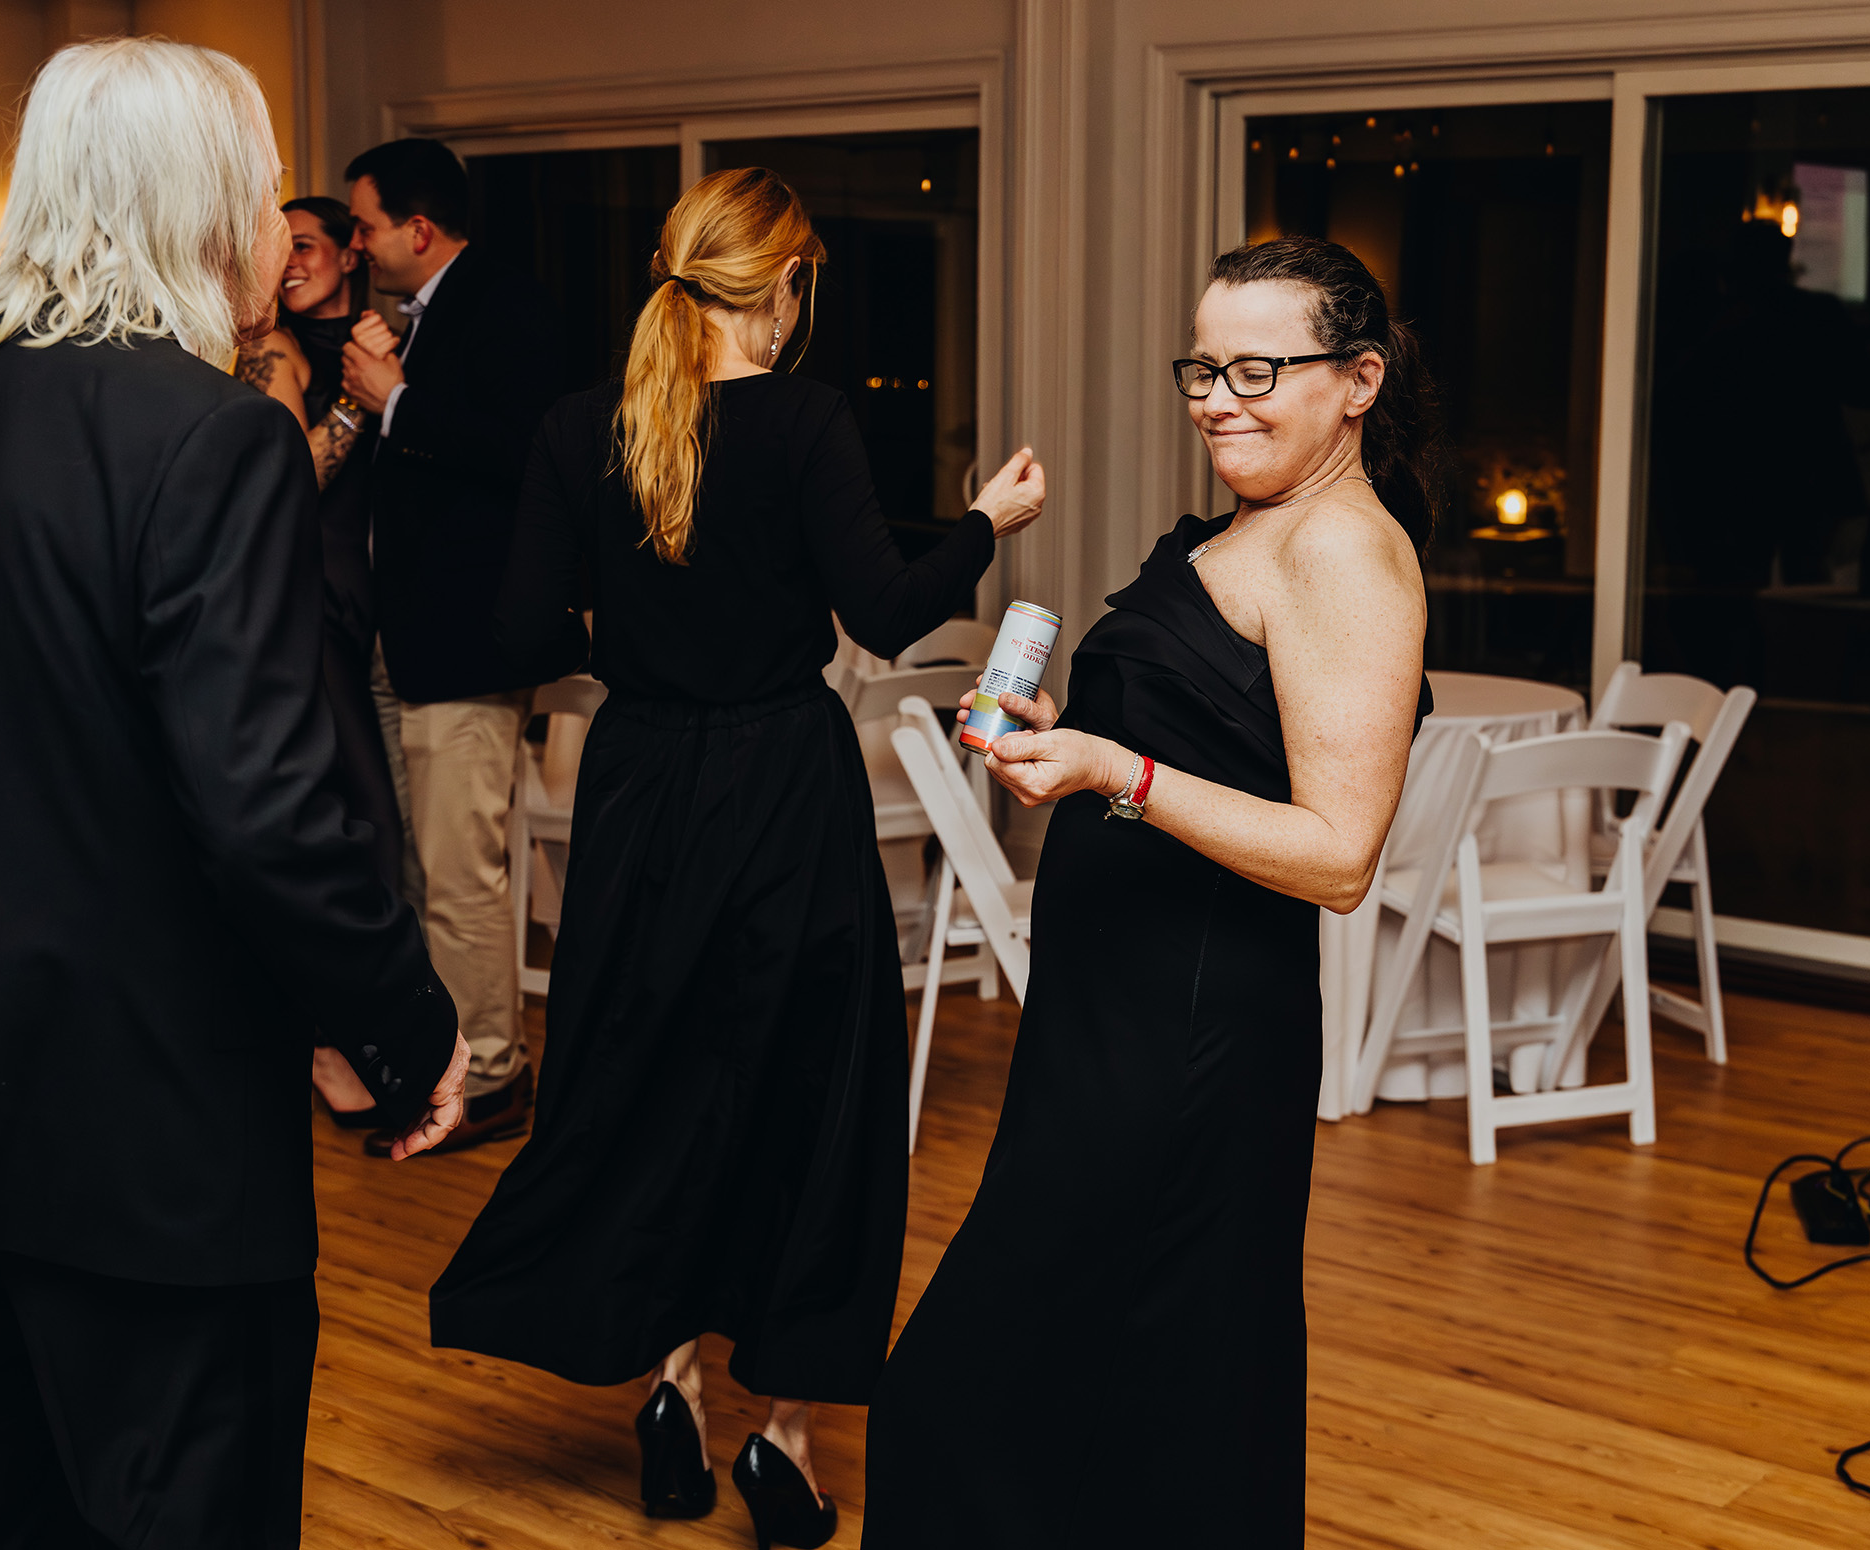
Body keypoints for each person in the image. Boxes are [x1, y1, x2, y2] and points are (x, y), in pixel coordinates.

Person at [0, 39, 467, 1548]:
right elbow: (268, 811)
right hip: (158, 1136)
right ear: (202, 204)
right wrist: (409, 1029)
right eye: (256, 197)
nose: (273, 238)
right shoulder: (215, 432)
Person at [431, 167, 1046, 1550]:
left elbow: (521, 627)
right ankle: (781, 1437)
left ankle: (669, 1394)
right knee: (807, 1095)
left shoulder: (578, 425)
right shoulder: (805, 419)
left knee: (644, 1072)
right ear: (782, 285)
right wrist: (984, 524)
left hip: (639, 784)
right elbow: (886, 612)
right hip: (780, 785)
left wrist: (636, 637)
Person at [862, 234, 1438, 1548]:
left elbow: (1339, 854)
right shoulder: (1259, 524)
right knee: (1122, 1384)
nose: (1217, 400)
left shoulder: (1345, 553)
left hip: (1189, 1037)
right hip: (1109, 1018)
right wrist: (1071, 737)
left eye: (1255, 370)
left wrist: (1111, 768)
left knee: (981, 1392)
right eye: (1202, 369)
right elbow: (1209, 741)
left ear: (1357, 381)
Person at [339, 136, 560, 1156]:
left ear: (417, 229)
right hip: (410, 640)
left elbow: (527, 455)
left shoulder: (504, 306)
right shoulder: (417, 318)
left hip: (467, 645)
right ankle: (447, 1063)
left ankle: (497, 1075)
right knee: (427, 870)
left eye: (365, 227)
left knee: (463, 871)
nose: (357, 245)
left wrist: (396, 403)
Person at [234, 195, 409, 1129]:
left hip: (382, 615)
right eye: (284, 247)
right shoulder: (273, 347)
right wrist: (357, 399)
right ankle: (327, 1040)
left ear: (350, 254)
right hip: (310, 610)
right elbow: (288, 480)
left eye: (307, 245)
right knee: (360, 824)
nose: (292, 261)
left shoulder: (387, 338)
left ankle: (363, 1032)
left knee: (388, 832)